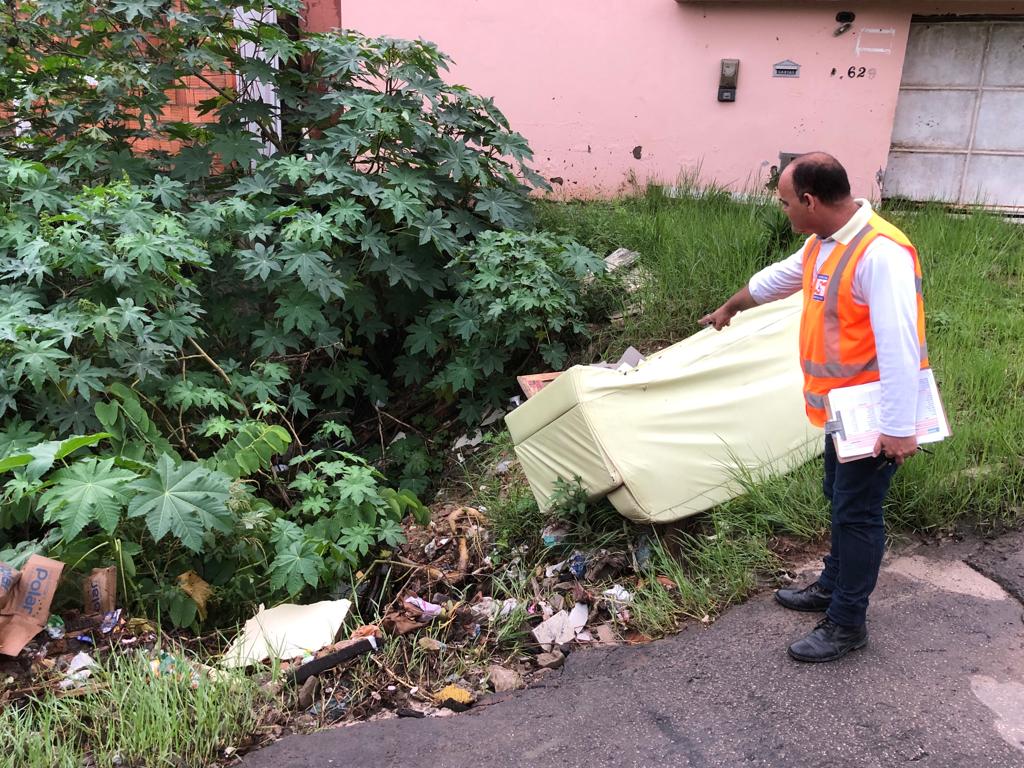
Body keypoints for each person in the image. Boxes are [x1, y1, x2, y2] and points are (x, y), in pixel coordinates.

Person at [699, 152, 928, 663]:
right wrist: (730, 307)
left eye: (784, 202)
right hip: (842, 411)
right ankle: (832, 584)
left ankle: (847, 623)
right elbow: (777, 279)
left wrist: (898, 427)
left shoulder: (880, 252)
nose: (782, 210)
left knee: (858, 513)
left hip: (874, 416)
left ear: (809, 199)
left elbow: (900, 346)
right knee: (839, 498)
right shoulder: (823, 243)